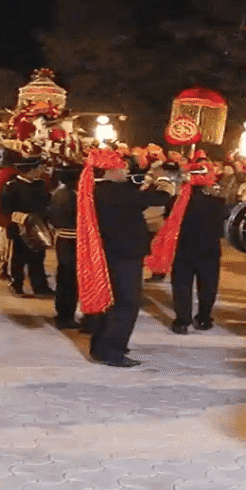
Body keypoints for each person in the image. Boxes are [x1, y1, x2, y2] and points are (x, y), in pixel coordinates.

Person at [77, 148, 174, 367]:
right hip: (124, 254)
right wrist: (164, 178)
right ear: (111, 170)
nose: (126, 170)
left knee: (111, 302)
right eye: (123, 167)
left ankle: (102, 346)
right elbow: (160, 197)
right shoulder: (117, 191)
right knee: (126, 303)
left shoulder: (100, 188)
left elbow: (137, 192)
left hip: (111, 252)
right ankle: (112, 351)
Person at [145, 156, 228, 334]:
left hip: (183, 246)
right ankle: (204, 318)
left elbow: (167, 219)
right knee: (208, 285)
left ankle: (182, 320)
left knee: (182, 285)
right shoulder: (217, 200)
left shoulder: (178, 200)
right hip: (209, 248)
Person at [0, 156, 54, 296]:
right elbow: (5, 209)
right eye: (40, 167)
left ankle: (39, 286)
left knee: (38, 257)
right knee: (18, 257)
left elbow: (47, 204)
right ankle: (16, 284)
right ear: (32, 169)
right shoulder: (12, 186)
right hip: (20, 228)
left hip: (38, 227)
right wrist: (11, 227)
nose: (43, 170)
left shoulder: (40, 185)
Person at [47, 162, 84, 329]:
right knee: (70, 279)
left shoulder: (59, 193)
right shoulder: (72, 196)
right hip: (72, 239)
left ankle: (63, 313)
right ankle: (65, 315)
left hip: (63, 238)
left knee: (64, 276)